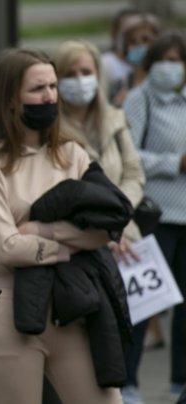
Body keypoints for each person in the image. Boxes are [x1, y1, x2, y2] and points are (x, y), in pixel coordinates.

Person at [0, 48, 125, 404]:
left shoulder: (74, 154)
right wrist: (72, 244)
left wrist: (42, 233)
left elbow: (107, 227)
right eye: (38, 88)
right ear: (10, 97)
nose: (50, 96)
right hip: (9, 308)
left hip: (73, 303)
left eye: (53, 86)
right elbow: (5, 247)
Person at [54, 39, 147, 404]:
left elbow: (133, 174)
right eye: (70, 74)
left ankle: (132, 384)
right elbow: (63, 194)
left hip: (127, 235)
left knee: (134, 321)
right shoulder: (52, 131)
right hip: (85, 245)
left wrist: (116, 216)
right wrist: (103, 231)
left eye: (86, 72)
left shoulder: (115, 118)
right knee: (98, 331)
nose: (80, 80)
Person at [122, 32, 186, 400]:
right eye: (165, 59)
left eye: (178, 60)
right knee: (145, 304)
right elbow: (128, 154)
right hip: (155, 217)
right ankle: (129, 382)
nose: (171, 67)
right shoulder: (139, 98)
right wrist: (173, 163)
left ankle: (181, 381)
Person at [103, 12, 161, 106]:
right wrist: (117, 105)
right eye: (133, 42)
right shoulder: (119, 87)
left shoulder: (167, 82)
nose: (140, 45)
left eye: (146, 39)